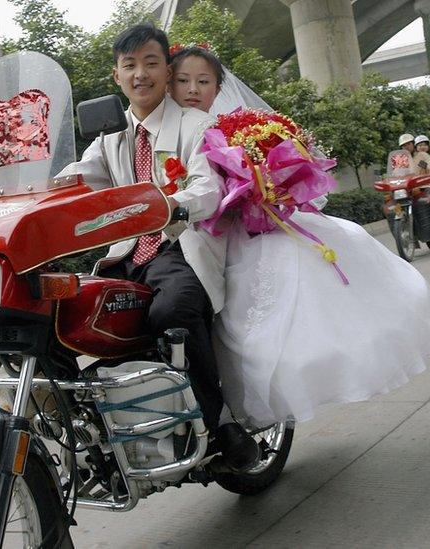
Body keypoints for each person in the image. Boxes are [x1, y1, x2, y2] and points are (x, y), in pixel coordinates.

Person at [167, 44, 430, 426]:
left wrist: (263, 188)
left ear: (218, 88)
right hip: (193, 235)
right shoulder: (162, 130)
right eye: (183, 80)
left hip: (239, 229)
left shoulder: (230, 129)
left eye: (204, 81)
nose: (193, 89)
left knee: (273, 306)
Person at [58, 25, 260, 471]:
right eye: (130, 65)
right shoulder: (110, 136)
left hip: (179, 247)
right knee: (61, 315)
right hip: (127, 255)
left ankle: (220, 422)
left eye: (151, 63)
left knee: (174, 311)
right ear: (116, 76)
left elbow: (208, 187)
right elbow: (73, 180)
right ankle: (85, 428)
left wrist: (172, 204)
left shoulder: (197, 123)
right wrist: (23, 195)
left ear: (167, 72)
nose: (140, 74)